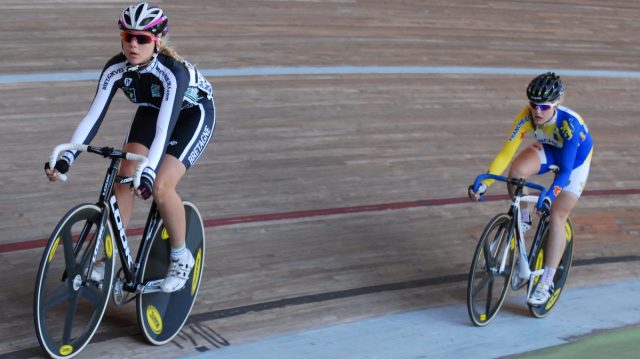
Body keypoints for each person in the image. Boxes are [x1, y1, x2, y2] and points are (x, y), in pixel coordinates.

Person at [44, 2, 216, 293]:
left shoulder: (173, 72)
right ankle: (107, 260)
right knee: (124, 177)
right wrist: (67, 157)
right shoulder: (116, 68)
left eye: (143, 39)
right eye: (128, 37)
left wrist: (148, 172)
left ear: (157, 40)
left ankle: (180, 255)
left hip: (190, 114)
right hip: (152, 109)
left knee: (161, 185)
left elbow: (165, 128)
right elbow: (93, 116)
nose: (133, 45)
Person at [468, 72, 593, 306]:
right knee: (516, 174)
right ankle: (523, 220)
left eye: (544, 107)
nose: (537, 111)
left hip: (574, 162)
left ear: (557, 103)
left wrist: (550, 195)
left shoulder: (570, 125)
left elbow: (565, 172)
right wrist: (484, 183)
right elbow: (506, 154)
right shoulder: (526, 117)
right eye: (534, 105)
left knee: (557, 216)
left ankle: (546, 282)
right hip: (548, 148)